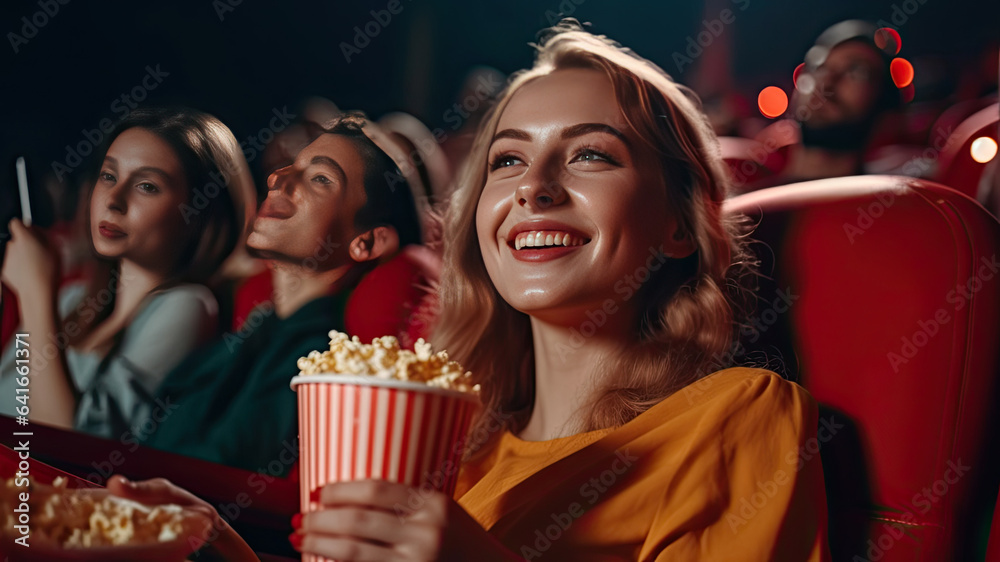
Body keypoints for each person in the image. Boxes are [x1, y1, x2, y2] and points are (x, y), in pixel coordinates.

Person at [115, 22, 830, 561]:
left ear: (679, 224)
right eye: (509, 159)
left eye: (589, 155)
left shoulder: (741, 415)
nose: (535, 190)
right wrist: (215, 543)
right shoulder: (453, 437)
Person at [140, 111, 424, 473]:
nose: (278, 177)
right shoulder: (257, 329)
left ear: (365, 242)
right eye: (291, 165)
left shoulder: (316, 359)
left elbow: (219, 470)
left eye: (320, 178)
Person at [0, 108, 255, 437]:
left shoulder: (188, 306)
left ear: (199, 215)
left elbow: (67, 446)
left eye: (147, 186)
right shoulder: (70, 300)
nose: (114, 201)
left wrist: (35, 293)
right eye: (109, 176)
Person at [770, 20, 902, 183]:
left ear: (883, 101)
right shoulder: (746, 202)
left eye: (856, 71)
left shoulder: (898, 201)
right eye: (819, 66)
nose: (827, 81)